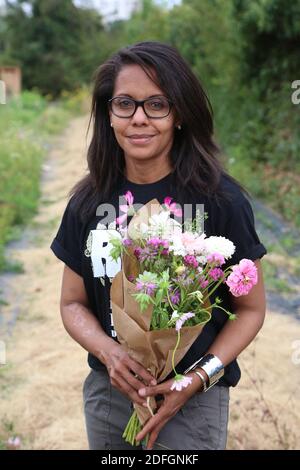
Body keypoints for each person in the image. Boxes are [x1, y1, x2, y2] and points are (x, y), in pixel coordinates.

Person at [50, 41, 267, 451]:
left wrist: (196, 378)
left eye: (156, 105)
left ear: (179, 114)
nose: (138, 119)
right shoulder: (88, 202)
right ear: (108, 113)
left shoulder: (221, 201)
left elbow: (251, 310)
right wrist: (109, 354)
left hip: (194, 402)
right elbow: (71, 303)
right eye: (124, 104)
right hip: (110, 398)